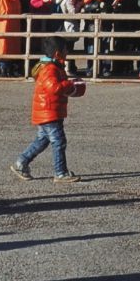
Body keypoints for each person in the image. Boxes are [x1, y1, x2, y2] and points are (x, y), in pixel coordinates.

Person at [12, 36, 85, 181]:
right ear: (58, 54)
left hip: (50, 111)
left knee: (42, 140)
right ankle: (60, 172)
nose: (67, 52)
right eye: (65, 50)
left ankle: (21, 162)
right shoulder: (49, 69)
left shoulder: (52, 67)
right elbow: (54, 87)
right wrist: (69, 85)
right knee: (59, 141)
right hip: (48, 112)